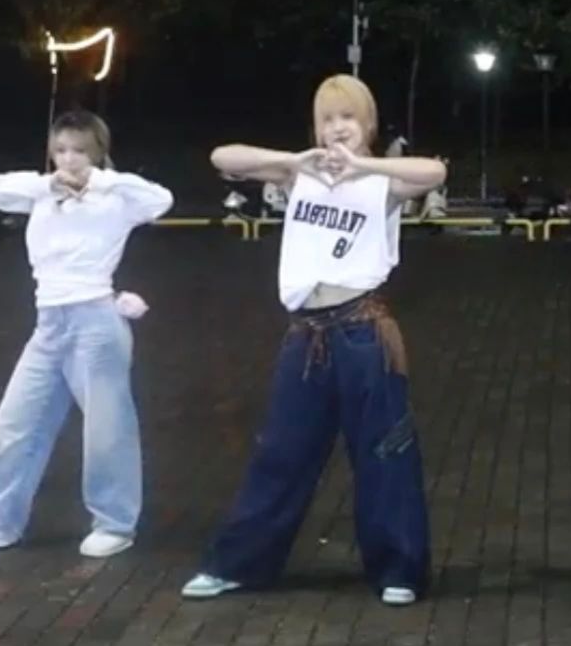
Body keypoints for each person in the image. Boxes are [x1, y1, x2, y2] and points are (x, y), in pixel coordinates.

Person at [184, 75, 446, 606]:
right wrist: (294, 160)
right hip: (306, 333)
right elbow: (223, 157)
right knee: (282, 450)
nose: (337, 128)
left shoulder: (382, 183)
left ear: (367, 123)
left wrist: (367, 166)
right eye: (327, 119)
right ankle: (239, 564)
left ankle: (399, 569)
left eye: (348, 117)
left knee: (384, 450)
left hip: (362, 328)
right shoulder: (299, 174)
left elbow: (435, 172)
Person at [0, 111, 172, 557]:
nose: (69, 159)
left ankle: (114, 524)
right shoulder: (42, 195)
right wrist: (48, 185)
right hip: (49, 324)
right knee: (15, 422)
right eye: (61, 150)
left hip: (96, 322)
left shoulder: (115, 198)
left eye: (80, 150)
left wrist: (100, 181)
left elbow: (160, 199)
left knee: (107, 430)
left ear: (98, 153)